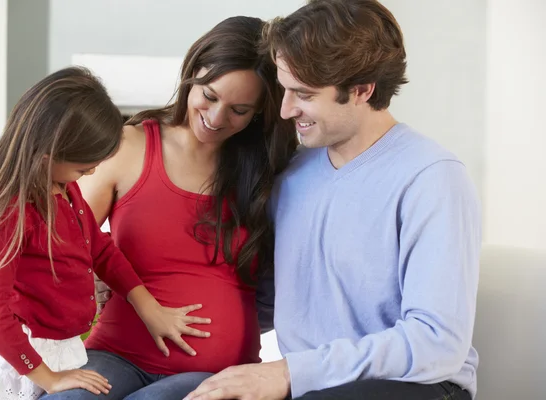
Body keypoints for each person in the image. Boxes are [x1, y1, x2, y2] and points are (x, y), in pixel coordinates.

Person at [186, 0, 482, 399]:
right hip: (312, 384)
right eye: (284, 89)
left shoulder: (431, 177)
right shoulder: (293, 174)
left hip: (418, 384)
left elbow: (437, 341)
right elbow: (267, 301)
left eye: (302, 94)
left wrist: (290, 372)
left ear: (361, 90)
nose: (287, 109)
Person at [42, 16, 297, 400]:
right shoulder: (128, 145)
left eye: (239, 110)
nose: (215, 118)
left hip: (217, 371)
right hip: (115, 354)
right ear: (192, 74)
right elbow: (60, 245)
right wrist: (87, 277)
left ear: (260, 111)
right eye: (209, 96)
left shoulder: (268, 173)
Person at [0, 67, 211, 400]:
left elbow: (100, 250)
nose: (92, 172)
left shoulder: (64, 189)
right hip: (23, 363)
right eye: (83, 166)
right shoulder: (11, 211)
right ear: (46, 157)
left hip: (62, 350)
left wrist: (147, 305)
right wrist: (49, 378)